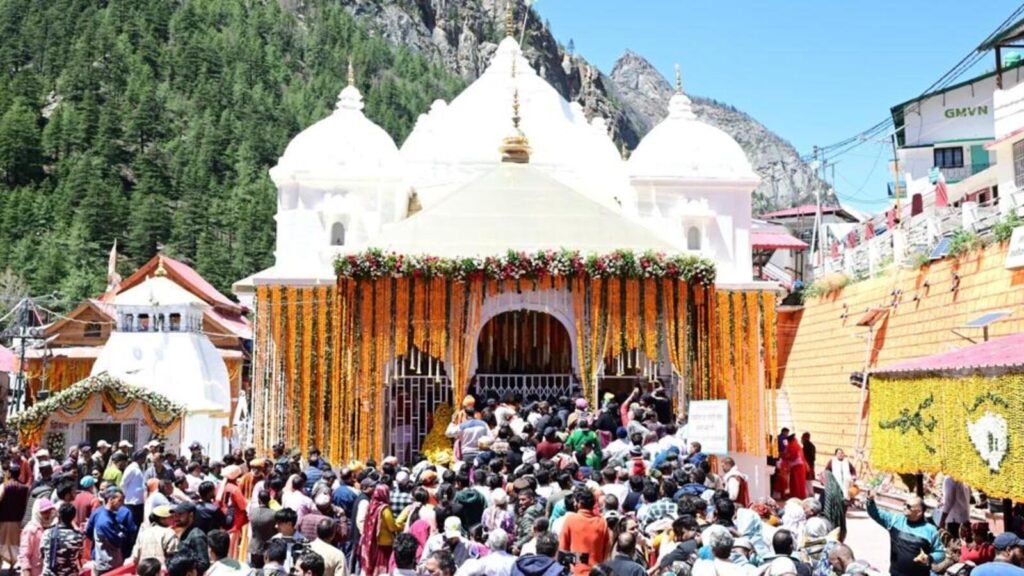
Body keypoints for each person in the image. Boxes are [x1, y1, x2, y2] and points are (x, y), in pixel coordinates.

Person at [866, 493, 944, 576]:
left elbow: (940, 553)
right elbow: (876, 513)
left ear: (919, 512)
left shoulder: (930, 530)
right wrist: (870, 500)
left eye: (908, 506)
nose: (904, 507)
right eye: (904, 504)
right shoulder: (895, 520)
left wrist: (929, 558)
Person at [85, 488, 137, 575]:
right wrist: (122, 534)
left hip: (109, 560)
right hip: (107, 563)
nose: (123, 503)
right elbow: (118, 541)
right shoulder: (105, 520)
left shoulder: (103, 513)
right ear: (110, 500)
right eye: (120, 500)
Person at [558, 488, 610, 575]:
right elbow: (606, 550)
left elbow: (563, 550)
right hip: (597, 572)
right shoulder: (602, 521)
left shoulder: (570, 520)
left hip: (577, 572)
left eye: (575, 501)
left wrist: (579, 561)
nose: (574, 503)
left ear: (580, 504)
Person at [358, 484, 401, 575]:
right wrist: (402, 525)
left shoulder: (371, 505)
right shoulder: (384, 509)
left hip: (372, 542)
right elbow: (392, 527)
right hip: (385, 543)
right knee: (383, 567)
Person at [40, 503, 83, 576]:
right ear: (73, 517)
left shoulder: (47, 533)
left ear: (58, 515)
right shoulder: (78, 537)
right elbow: (79, 556)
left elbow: (42, 554)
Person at [0, 464, 29, 570]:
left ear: (9, 474)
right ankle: (12, 566)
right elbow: (25, 504)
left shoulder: (4, 486)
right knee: (14, 545)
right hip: (17, 521)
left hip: (3, 520)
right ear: (19, 474)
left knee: (1, 543)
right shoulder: (25, 488)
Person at [19, 498, 57, 576]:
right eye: (44, 512)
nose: (48, 515)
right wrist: (26, 572)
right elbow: (24, 554)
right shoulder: (31, 530)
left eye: (49, 511)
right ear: (37, 512)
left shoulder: (50, 528)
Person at [174, 502, 211, 575]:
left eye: (180, 514)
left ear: (191, 515)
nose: (176, 517)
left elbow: (204, 563)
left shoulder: (197, 535)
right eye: (176, 514)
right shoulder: (187, 532)